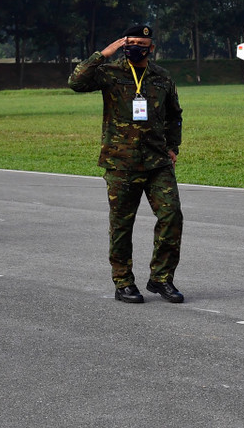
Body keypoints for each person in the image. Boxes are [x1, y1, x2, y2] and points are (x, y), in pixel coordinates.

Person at [68, 24, 185, 305]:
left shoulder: (162, 77)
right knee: (122, 225)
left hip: (157, 162)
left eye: (141, 44)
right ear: (123, 44)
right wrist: (103, 53)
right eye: (130, 42)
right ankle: (123, 283)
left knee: (171, 216)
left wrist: (173, 146)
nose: (135, 47)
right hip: (121, 162)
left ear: (151, 48)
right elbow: (76, 81)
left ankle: (161, 278)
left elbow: (174, 115)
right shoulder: (110, 73)